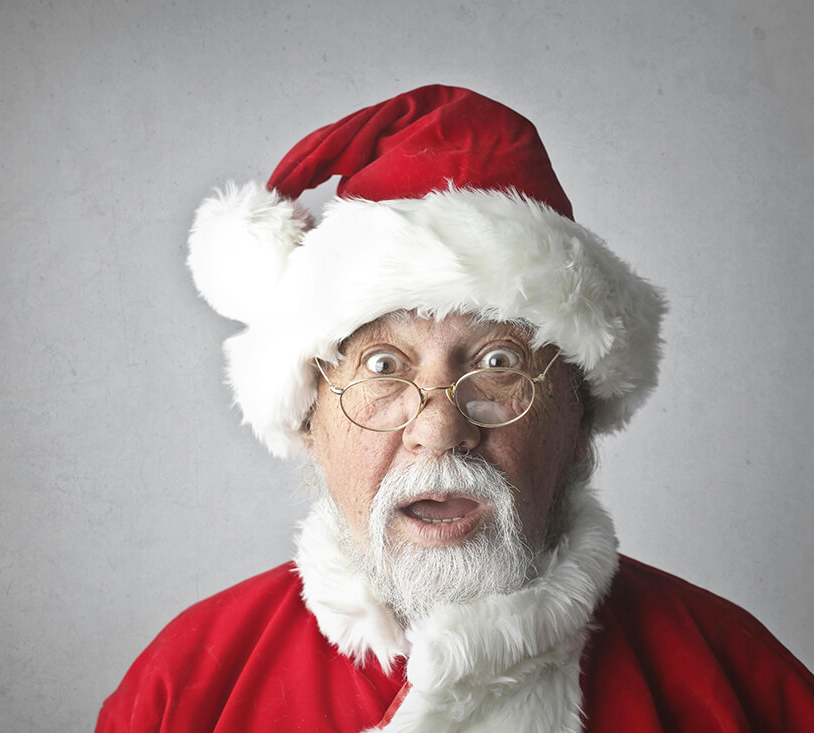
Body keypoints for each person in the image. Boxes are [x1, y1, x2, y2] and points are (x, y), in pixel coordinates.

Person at [96, 85, 814, 732]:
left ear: (578, 417)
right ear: (310, 416)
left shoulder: (741, 686)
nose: (440, 431)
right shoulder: (185, 689)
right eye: (383, 365)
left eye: (499, 363)